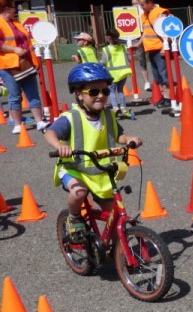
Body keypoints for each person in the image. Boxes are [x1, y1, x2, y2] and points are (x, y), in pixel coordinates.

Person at [44, 63, 142, 239]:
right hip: (74, 169)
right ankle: (73, 218)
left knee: (113, 214)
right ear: (79, 94)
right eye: (94, 92)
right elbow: (50, 133)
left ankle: (115, 246)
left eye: (105, 91)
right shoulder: (71, 117)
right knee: (79, 192)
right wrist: (60, 146)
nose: (101, 96)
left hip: (101, 171)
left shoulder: (108, 115)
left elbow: (118, 135)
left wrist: (128, 139)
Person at [0, 0, 47, 134]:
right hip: (8, 66)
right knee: (15, 95)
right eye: (13, 7)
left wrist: (35, 61)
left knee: (33, 93)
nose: (16, 9)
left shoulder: (17, 23)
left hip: (26, 63)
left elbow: (28, 43)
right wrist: (14, 49)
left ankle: (39, 121)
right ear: (6, 8)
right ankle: (17, 124)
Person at [136, 0, 170, 107]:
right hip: (150, 49)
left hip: (159, 48)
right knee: (157, 75)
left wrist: (164, 47)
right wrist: (138, 44)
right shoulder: (144, 15)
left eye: (142, 5)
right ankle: (164, 97)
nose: (141, 7)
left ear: (150, 3)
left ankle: (168, 99)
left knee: (164, 74)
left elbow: (167, 30)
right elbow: (145, 33)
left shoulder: (160, 12)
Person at [99, 29, 133, 119]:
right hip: (124, 72)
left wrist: (98, 64)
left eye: (106, 36)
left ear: (109, 37)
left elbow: (103, 62)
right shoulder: (123, 47)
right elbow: (130, 58)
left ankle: (115, 108)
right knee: (120, 90)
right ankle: (123, 108)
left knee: (111, 91)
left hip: (113, 73)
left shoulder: (106, 49)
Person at [131, 0, 151, 91]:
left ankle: (158, 81)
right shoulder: (130, 14)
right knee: (142, 60)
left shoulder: (145, 13)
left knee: (153, 58)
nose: (134, 6)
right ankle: (147, 82)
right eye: (133, 4)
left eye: (136, 4)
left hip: (148, 37)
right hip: (137, 37)